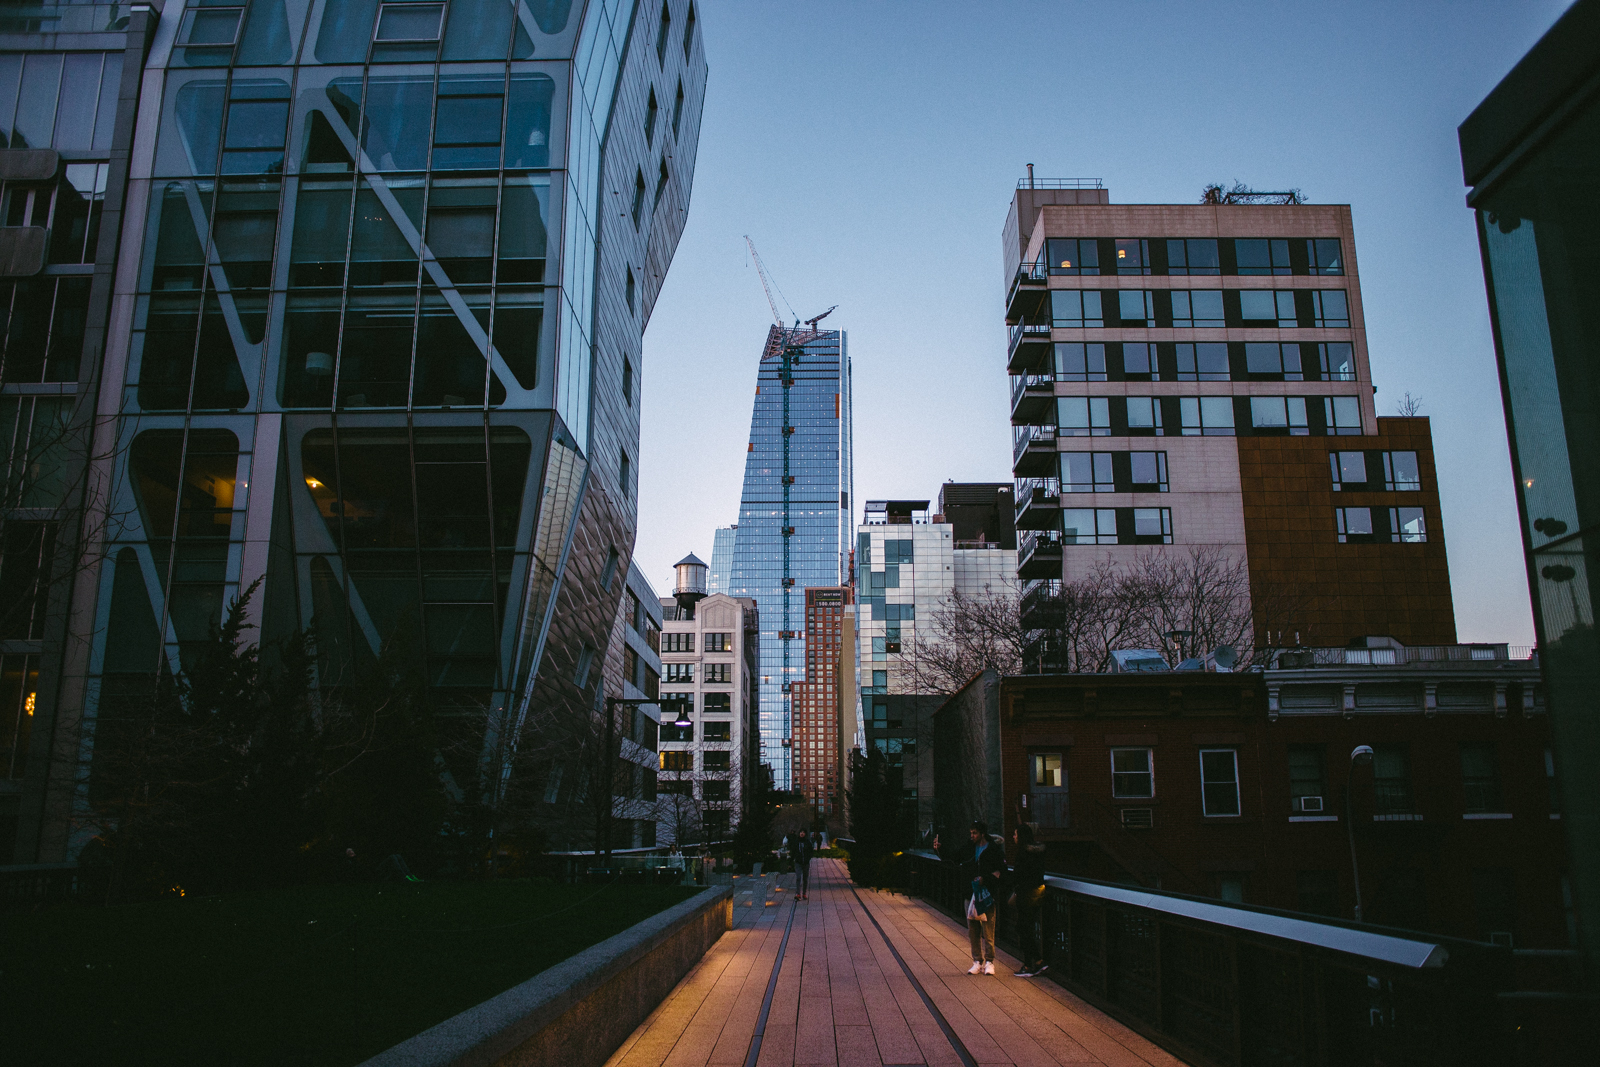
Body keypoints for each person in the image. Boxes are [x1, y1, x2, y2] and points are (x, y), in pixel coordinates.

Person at [962, 821, 1006, 975]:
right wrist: (940, 850)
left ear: (982, 833)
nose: (972, 836)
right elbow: (955, 857)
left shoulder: (993, 850)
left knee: (988, 930)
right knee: (973, 929)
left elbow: (1002, 871)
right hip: (971, 892)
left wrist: (985, 879)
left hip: (986, 894)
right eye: (971, 833)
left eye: (974, 833)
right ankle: (977, 961)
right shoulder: (969, 847)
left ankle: (989, 961)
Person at [1009, 823, 1047, 977]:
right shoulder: (1038, 853)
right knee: (1028, 928)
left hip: (1025, 895)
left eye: (1016, 834)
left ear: (1021, 837)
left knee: (1023, 929)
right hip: (1037, 893)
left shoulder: (1022, 854)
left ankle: (1031, 964)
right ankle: (1035, 962)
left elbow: (1019, 875)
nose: (1014, 837)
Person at [789, 828, 813, 900]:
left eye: (803, 832)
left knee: (805, 878)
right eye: (801, 832)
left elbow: (811, 851)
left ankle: (804, 893)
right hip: (798, 862)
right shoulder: (796, 842)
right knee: (798, 877)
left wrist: (808, 858)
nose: (802, 833)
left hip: (805, 863)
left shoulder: (807, 842)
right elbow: (793, 852)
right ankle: (798, 893)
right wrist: (790, 862)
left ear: (805, 834)